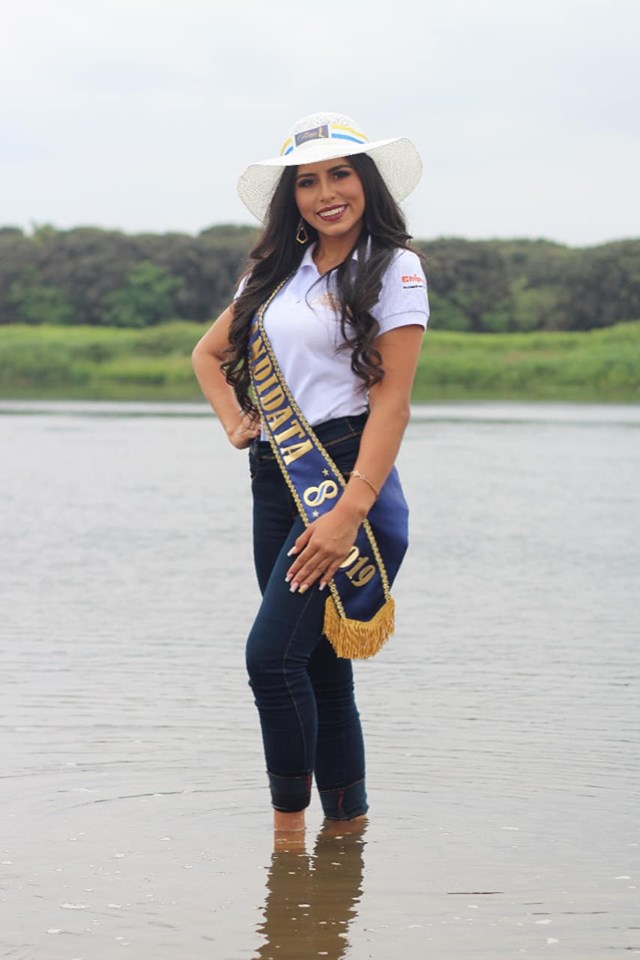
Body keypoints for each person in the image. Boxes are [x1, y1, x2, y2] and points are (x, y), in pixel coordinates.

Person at [192, 111, 429, 836]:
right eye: (307, 182)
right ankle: (345, 836)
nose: (326, 193)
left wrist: (348, 512)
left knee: (270, 660)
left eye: (340, 175)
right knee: (319, 665)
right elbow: (207, 354)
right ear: (291, 197)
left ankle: (286, 845)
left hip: (343, 477)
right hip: (274, 480)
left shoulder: (393, 268)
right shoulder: (271, 275)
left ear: (366, 182)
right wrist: (235, 421)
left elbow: (392, 405)